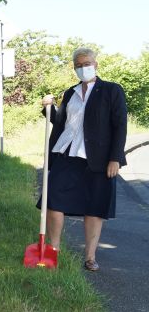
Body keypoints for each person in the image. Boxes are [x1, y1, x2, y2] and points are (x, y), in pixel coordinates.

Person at [40, 47, 127, 272]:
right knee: (53, 201)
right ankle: (53, 251)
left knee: (94, 207)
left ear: (96, 64)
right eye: (78, 65)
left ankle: (90, 257)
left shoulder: (111, 90)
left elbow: (120, 126)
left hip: (98, 159)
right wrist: (48, 110)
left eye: (87, 63)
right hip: (66, 154)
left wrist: (115, 158)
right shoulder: (70, 93)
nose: (83, 68)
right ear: (74, 67)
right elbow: (61, 122)